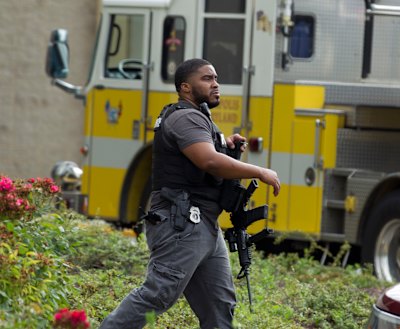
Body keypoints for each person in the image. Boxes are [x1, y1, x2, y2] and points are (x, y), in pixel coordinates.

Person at [99, 58, 281, 329]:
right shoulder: (185, 117)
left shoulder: (199, 117)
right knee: (158, 294)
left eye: (216, 78)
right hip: (182, 222)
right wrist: (258, 172)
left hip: (204, 224)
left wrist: (225, 143)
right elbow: (208, 161)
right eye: (207, 78)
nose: (215, 84)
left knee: (219, 306)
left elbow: (208, 152)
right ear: (185, 87)